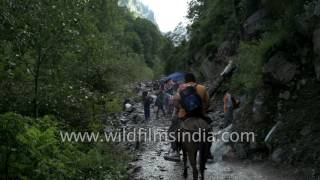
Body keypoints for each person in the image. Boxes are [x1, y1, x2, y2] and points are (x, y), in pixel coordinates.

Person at [164, 73, 212, 161]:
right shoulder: (202, 88)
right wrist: (203, 110)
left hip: (184, 116)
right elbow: (208, 103)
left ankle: (175, 152)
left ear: (185, 80)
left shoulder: (181, 87)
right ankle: (208, 153)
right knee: (209, 130)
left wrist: (181, 108)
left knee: (173, 130)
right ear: (194, 79)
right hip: (199, 114)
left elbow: (174, 101)